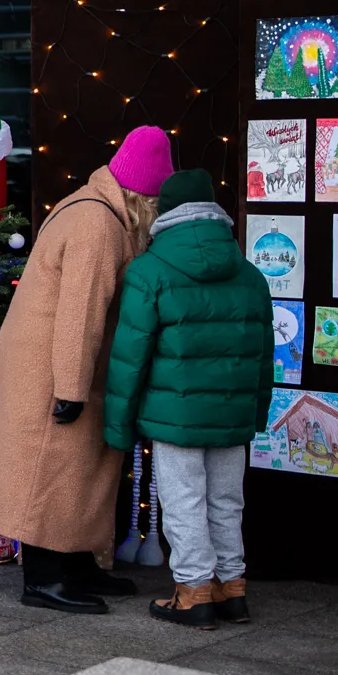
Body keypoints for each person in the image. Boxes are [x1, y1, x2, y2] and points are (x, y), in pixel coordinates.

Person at [0, 126, 170, 614]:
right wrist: (71, 387)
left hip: (56, 364)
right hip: (53, 370)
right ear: (143, 196)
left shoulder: (92, 207)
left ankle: (76, 566)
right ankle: (45, 579)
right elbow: (81, 313)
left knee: (77, 473)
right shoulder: (98, 224)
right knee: (51, 471)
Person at [102, 169, 274, 629]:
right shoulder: (252, 276)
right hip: (232, 415)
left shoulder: (148, 271)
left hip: (173, 414)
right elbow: (263, 358)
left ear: (165, 212)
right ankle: (231, 588)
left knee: (183, 501)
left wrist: (118, 425)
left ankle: (193, 592)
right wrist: (257, 412)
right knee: (226, 500)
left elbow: (129, 357)